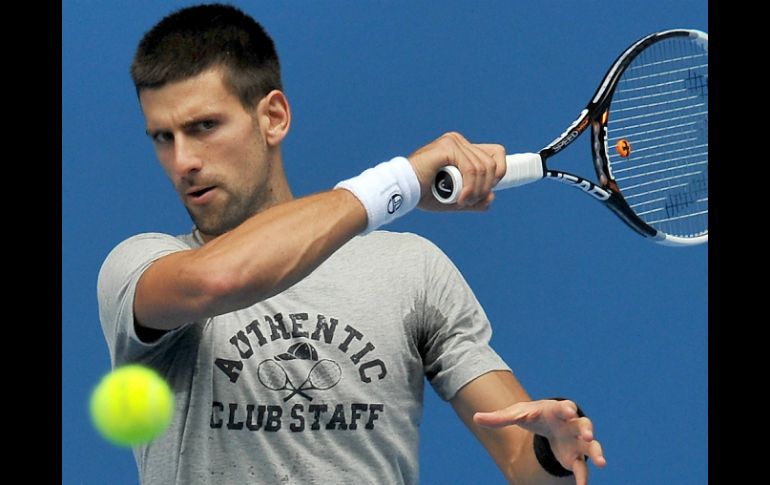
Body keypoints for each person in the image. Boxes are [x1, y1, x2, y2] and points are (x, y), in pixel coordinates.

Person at [97, 3, 606, 484]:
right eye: (163, 137)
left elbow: (523, 460)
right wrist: (400, 182)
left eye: (203, 126)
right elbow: (219, 279)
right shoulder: (141, 270)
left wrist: (552, 450)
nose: (183, 160)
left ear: (272, 116)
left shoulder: (411, 271)